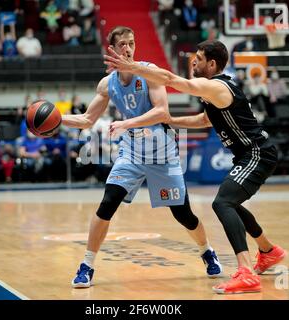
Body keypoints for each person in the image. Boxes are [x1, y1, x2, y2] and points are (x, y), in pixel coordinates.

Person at [105, 39, 286, 294]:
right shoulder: (214, 92)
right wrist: (171, 120)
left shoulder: (216, 86)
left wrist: (133, 66)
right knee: (230, 202)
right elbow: (205, 119)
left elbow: (170, 79)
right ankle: (268, 250)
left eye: (199, 58)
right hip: (250, 154)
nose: (193, 61)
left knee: (222, 203)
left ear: (212, 64)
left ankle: (246, 272)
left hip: (257, 153)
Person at [63, 26, 222, 288]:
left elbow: (162, 112)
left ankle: (207, 250)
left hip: (161, 152)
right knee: (108, 203)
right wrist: (57, 121)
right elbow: (86, 120)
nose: (128, 48)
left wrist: (127, 124)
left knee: (183, 214)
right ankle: (87, 265)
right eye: (123, 44)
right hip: (132, 153)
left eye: (132, 43)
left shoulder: (150, 74)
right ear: (112, 50)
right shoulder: (107, 84)